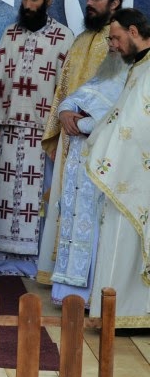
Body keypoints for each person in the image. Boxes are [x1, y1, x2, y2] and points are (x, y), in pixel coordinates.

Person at [0, 0, 73, 278]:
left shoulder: (63, 37)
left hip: (42, 134)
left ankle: (37, 261)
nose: (28, 5)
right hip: (8, 131)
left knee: (37, 198)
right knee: (4, 195)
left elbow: (66, 89)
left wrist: (56, 133)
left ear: (48, 1)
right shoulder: (10, 33)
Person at [36, 0, 122, 284]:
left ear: (115, 3)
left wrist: (84, 121)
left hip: (100, 141)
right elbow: (63, 89)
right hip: (70, 138)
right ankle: (61, 278)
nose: (89, 2)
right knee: (65, 204)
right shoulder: (81, 40)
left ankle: (89, 283)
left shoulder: (118, 44)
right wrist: (61, 120)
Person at [43, 50, 126, 305]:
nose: (112, 46)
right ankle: (68, 294)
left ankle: (93, 298)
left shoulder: (136, 76)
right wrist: (65, 113)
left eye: (116, 39)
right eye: (110, 40)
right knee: (75, 219)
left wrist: (79, 125)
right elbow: (72, 99)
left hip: (105, 165)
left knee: (96, 228)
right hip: (79, 166)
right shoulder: (107, 73)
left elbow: (120, 121)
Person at [85, 8, 150, 327]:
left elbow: (134, 124)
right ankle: (116, 313)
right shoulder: (139, 66)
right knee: (118, 237)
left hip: (137, 172)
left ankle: (126, 315)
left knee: (128, 237)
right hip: (127, 169)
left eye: (116, 37)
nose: (113, 44)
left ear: (133, 32)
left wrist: (102, 144)